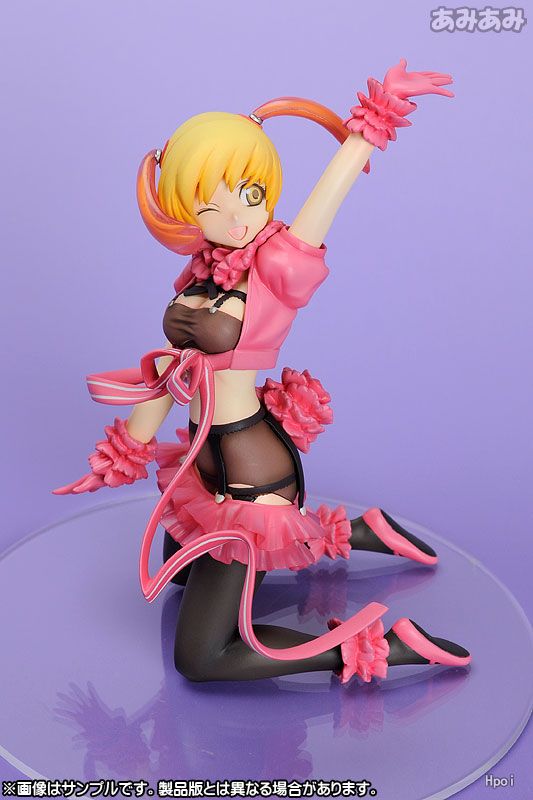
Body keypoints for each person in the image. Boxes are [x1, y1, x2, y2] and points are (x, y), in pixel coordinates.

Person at [54, 59, 471, 684]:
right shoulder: (201, 270)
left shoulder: (277, 266)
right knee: (181, 571)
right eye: (214, 202)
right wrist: (125, 450)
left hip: (250, 469)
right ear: (185, 209)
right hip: (202, 461)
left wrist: (376, 116)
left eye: (251, 193)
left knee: (202, 657)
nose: (239, 215)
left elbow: (329, 194)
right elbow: (170, 365)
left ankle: (384, 646)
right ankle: (363, 531)